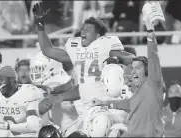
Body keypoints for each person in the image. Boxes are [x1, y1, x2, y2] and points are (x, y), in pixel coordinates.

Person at [32, 2, 135, 137]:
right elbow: (48, 50)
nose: (83, 32)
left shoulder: (105, 46)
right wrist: (40, 24)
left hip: (107, 109)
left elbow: (131, 57)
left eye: (88, 29)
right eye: (83, 29)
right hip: (88, 110)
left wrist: (116, 60)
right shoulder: (77, 50)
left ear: (98, 36)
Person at [92, 3, 165, 137]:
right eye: (132, 68)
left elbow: (153, 54)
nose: (133, 71)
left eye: (138, 68)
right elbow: (125, 103)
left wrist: (149, 29)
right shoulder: (137, 94)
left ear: (148, 71)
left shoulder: (153, 84)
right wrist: (103, 102)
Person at [30, 52, 79, 136]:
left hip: (67, 127)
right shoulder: (60, 78)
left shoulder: (54, 81)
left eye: (39, 68)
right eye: (34, 69)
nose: (36, 72)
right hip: (68, 124)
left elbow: (44, 111)